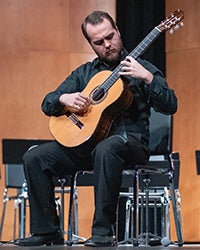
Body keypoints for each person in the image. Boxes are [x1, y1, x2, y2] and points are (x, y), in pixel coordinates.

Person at [14, 10, 177, 247]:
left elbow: (171, 105)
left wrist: (148, 79)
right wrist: (64, 99)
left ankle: (103, 233)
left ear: (118, 32)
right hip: (87, 146)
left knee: (107, 149)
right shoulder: (85, 73)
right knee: (35, 157)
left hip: (129, 145)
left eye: (110, 37)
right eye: (98, 42)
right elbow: (47, 102)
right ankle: (47, 231)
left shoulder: (142, 68)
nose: (107, 45)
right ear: (91, 44)